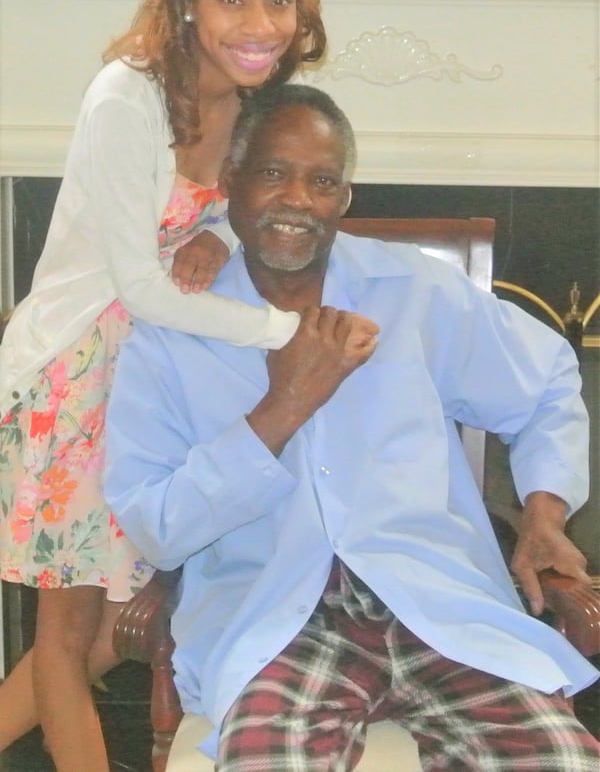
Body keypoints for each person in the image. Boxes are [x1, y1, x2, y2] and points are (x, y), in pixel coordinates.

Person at [104, 83, 600, 771]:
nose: (298, 200)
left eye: (323, 181)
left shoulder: (412, 290)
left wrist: (546, 511)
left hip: (434, 600)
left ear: (344, 198)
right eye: (274, 173)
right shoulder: (171, 332)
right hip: (277, 619)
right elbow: (155, 526)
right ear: (231, 183)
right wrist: (282, 407)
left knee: (561, 760)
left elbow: (546, 377)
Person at [0, 0, 335, 772]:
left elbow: (229, 203)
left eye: (280, 1)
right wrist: (283, 331)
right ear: (188, 2)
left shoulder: (250, 99)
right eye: (233, 0)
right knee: (71, 636)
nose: (260, 25)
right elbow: (141, 288)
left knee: (115, 622)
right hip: (78, 373)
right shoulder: (128, 95)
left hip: (154, 373)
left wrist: (218, 235)